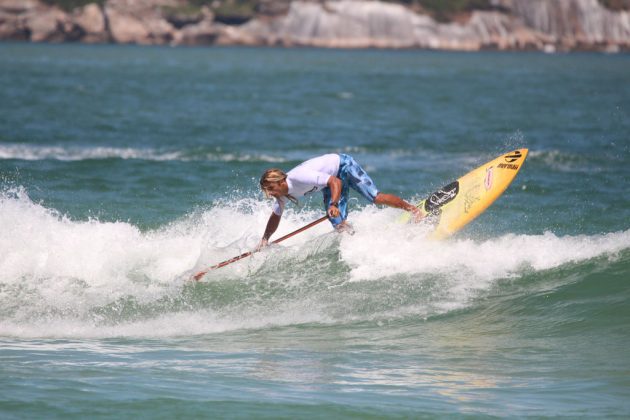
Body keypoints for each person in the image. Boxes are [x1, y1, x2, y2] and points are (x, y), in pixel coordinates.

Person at [258, 153, 422, 248]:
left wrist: (334, 204)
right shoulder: (281, 195)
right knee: (338, 223)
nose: (270, 193)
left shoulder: (298, 176)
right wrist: (265, 239)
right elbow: (276, 216)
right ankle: (359, 241)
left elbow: (335, 182)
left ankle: (414, 210)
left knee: (376, 198)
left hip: (343, 165)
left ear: (280, 182)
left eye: (270, 189)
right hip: (329, 183)